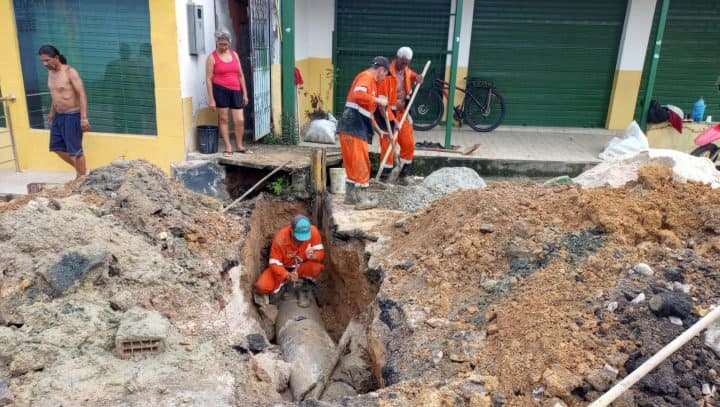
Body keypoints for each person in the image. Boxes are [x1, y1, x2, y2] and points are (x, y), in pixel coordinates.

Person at [336, 56, 390, 209]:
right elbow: (359, 95)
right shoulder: (367, 77)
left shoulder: (368, 81)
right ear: (381, 70)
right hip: (354, 127)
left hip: (349, 127)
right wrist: (378, 100)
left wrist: (379, 131)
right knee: (361, 164)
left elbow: (368, 113)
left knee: (352, 164)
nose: (384, 78)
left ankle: (350, 196)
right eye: (385, 74)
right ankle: (362, 199)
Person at [40, 45, 90, 179]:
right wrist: (51, 112)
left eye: (48, 60)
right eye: (42, 61)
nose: (45, 64)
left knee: (76, 152)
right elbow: (55, 94)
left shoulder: (70, 72)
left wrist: (84, 118)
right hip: (58, 116)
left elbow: (82, 94)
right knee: (56, 147)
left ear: (56, 58)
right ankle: (82, 172)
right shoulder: (50, 73)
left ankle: (81, 177)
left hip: (72, 115)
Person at [254, 215, 325, 304]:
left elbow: (321, 254)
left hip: (300, 267)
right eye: (298, 238)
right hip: (282, 268)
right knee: (262, 286)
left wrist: (313, 256)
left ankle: (303, 284)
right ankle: (283, 285)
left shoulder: (313, 232)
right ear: (291, 230)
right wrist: (287, 275)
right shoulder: (280, 239)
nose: (301, 241)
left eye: (304, 238)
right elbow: (274, 263)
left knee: (316, 267)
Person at [378, 47, 423, 182]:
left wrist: (418, 77)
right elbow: (381, 103)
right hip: (387, 114)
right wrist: (391, 120)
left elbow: (412, 75)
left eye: (407, 62)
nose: (405, 65)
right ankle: (385, 176)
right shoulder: (386, 74)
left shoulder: (406, 71)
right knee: (389, 145)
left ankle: (404, 173)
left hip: (403, 113)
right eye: (403, 62)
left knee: (409, 143)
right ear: (397, 58)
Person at [206, 30, 249, 155]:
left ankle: (240, 145)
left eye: (226, 44)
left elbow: (240, 75)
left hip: (236, 90)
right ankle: (228, 147)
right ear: (217, 43)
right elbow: (208, 79)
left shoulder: (234, 55)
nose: (223, 47)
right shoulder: (211, 57)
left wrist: (245, 93)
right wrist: (211, 99)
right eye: (221, 44)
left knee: (239, 120)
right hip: (220, 90)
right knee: (224, 119)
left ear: (229, 43)